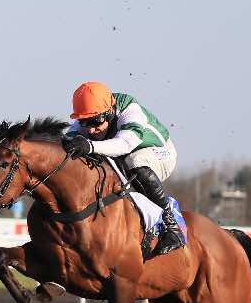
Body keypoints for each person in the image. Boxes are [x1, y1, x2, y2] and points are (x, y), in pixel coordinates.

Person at [62, 81, 184, 256]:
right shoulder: (93, 114)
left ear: (110, 112)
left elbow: (125, 144)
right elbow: (66, 141)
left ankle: (172, 227)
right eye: (84, 122)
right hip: (126, 156)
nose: (91, 130)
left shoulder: (130, 110)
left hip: (159, 153)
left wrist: (90, 146)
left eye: (96, 122)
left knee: (133, 160)